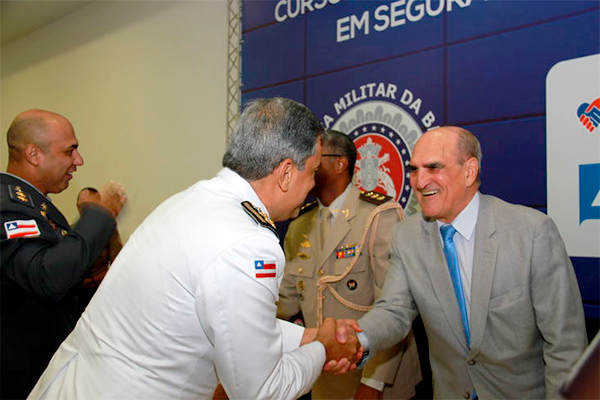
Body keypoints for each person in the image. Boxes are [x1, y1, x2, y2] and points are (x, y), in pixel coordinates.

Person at [29, 98, 362, 400]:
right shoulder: (248, 242)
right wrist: (323, 348)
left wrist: (308, 337)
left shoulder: (191, 201)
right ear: (286, 173)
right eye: (313, 172)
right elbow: (261, 390)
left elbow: (230, 321)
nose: (312, 185)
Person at [355, 126, 588, 399]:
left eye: (433, 168)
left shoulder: (531, 232)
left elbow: (565, 345)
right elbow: (394, 311)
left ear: (469, 171)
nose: (419, 181)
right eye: (415, 170)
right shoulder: (406, 236)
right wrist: (356, 339)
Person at [278, 130, 421, 399]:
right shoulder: (299, 224)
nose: (305, 164)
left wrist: (374, 383)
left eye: (314, 157)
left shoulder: (378, 216)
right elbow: (285, 303)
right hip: (322, 378)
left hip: (375, 378)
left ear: (340, 163)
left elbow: (395, 309)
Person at [0, 109, 127, 399]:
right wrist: (99, 215)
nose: (79, 160)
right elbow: (47, 277)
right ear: (34, 154)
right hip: (20, 378)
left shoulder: (34, 204)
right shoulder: (7, 206)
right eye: (70, 151)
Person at [75, 187, 123, 315]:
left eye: (90, 205)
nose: (85, 210)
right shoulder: (71, 231)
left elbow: (118, 261)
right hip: (76, 293)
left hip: (100, 289)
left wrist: (95, 280)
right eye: (82, 205)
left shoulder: (108, 230)